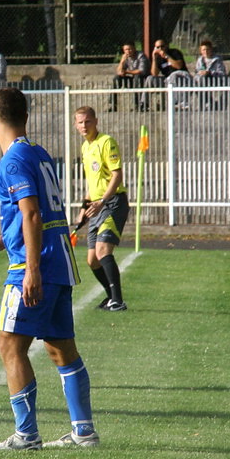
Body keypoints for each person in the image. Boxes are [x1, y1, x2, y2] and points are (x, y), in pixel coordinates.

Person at [0, 88, 99, 451]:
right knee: (61, 349)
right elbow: (41, 213)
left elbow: (31, 212)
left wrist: (30, 269)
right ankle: (83, 432)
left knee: (9, 346)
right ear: (26, 117)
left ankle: (26, 434)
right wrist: (5, 238)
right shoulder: (39, 153)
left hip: (36, 265)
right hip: (60, 262)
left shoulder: (12, 161)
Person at [73, 106, 129, 311]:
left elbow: (117, 174)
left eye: (87, 121)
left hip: (112, 203)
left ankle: (118, 300)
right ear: (75, 125)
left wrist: (102, 202)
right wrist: (84, 208)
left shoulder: (106, 142)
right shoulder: (85, 147)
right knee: (92, 260)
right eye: (80, 122)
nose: (84, 126)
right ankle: (110, 296)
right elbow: (92, 183)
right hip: (96, 205)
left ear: (96, 121)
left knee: (103, 250)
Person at [141, 39, 190, 110]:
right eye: (158, 47)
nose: (160, 49)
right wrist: (154, 59)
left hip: (181, 77)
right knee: (150, 78)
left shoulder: (174, 52)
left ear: (166, 46)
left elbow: (179, 66)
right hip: (167, 79)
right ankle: (144, 103)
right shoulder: (158, 58)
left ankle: (176, 102)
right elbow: (154, 73)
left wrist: (166, 56)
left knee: (174, 75)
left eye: (162, 46)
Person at [109, 42, 149, 112]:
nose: (128, 51)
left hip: (144, 79)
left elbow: (141, 71)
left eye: (130, 49)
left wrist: (126, 72)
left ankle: (138, 104)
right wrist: (122, 61)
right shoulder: (125, 57)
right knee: (116, 78)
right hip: (133, 79)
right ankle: (113, 105)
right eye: (126, 50)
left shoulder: (141, 55)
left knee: (138, 77)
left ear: (134, 48)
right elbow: (119, 71)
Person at [193, 40, 227, 109]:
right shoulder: (200, 60)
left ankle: (207, 102)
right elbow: (197, 71)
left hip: (215, 79)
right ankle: (207, 102)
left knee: (204, 78)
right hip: (202, 80)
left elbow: (221, 73)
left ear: (211, 49)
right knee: (196, 82)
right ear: (201, 51)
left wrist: (209, 72)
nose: (205, 51)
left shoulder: (217, 59)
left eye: (207, 49)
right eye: (203, 50)